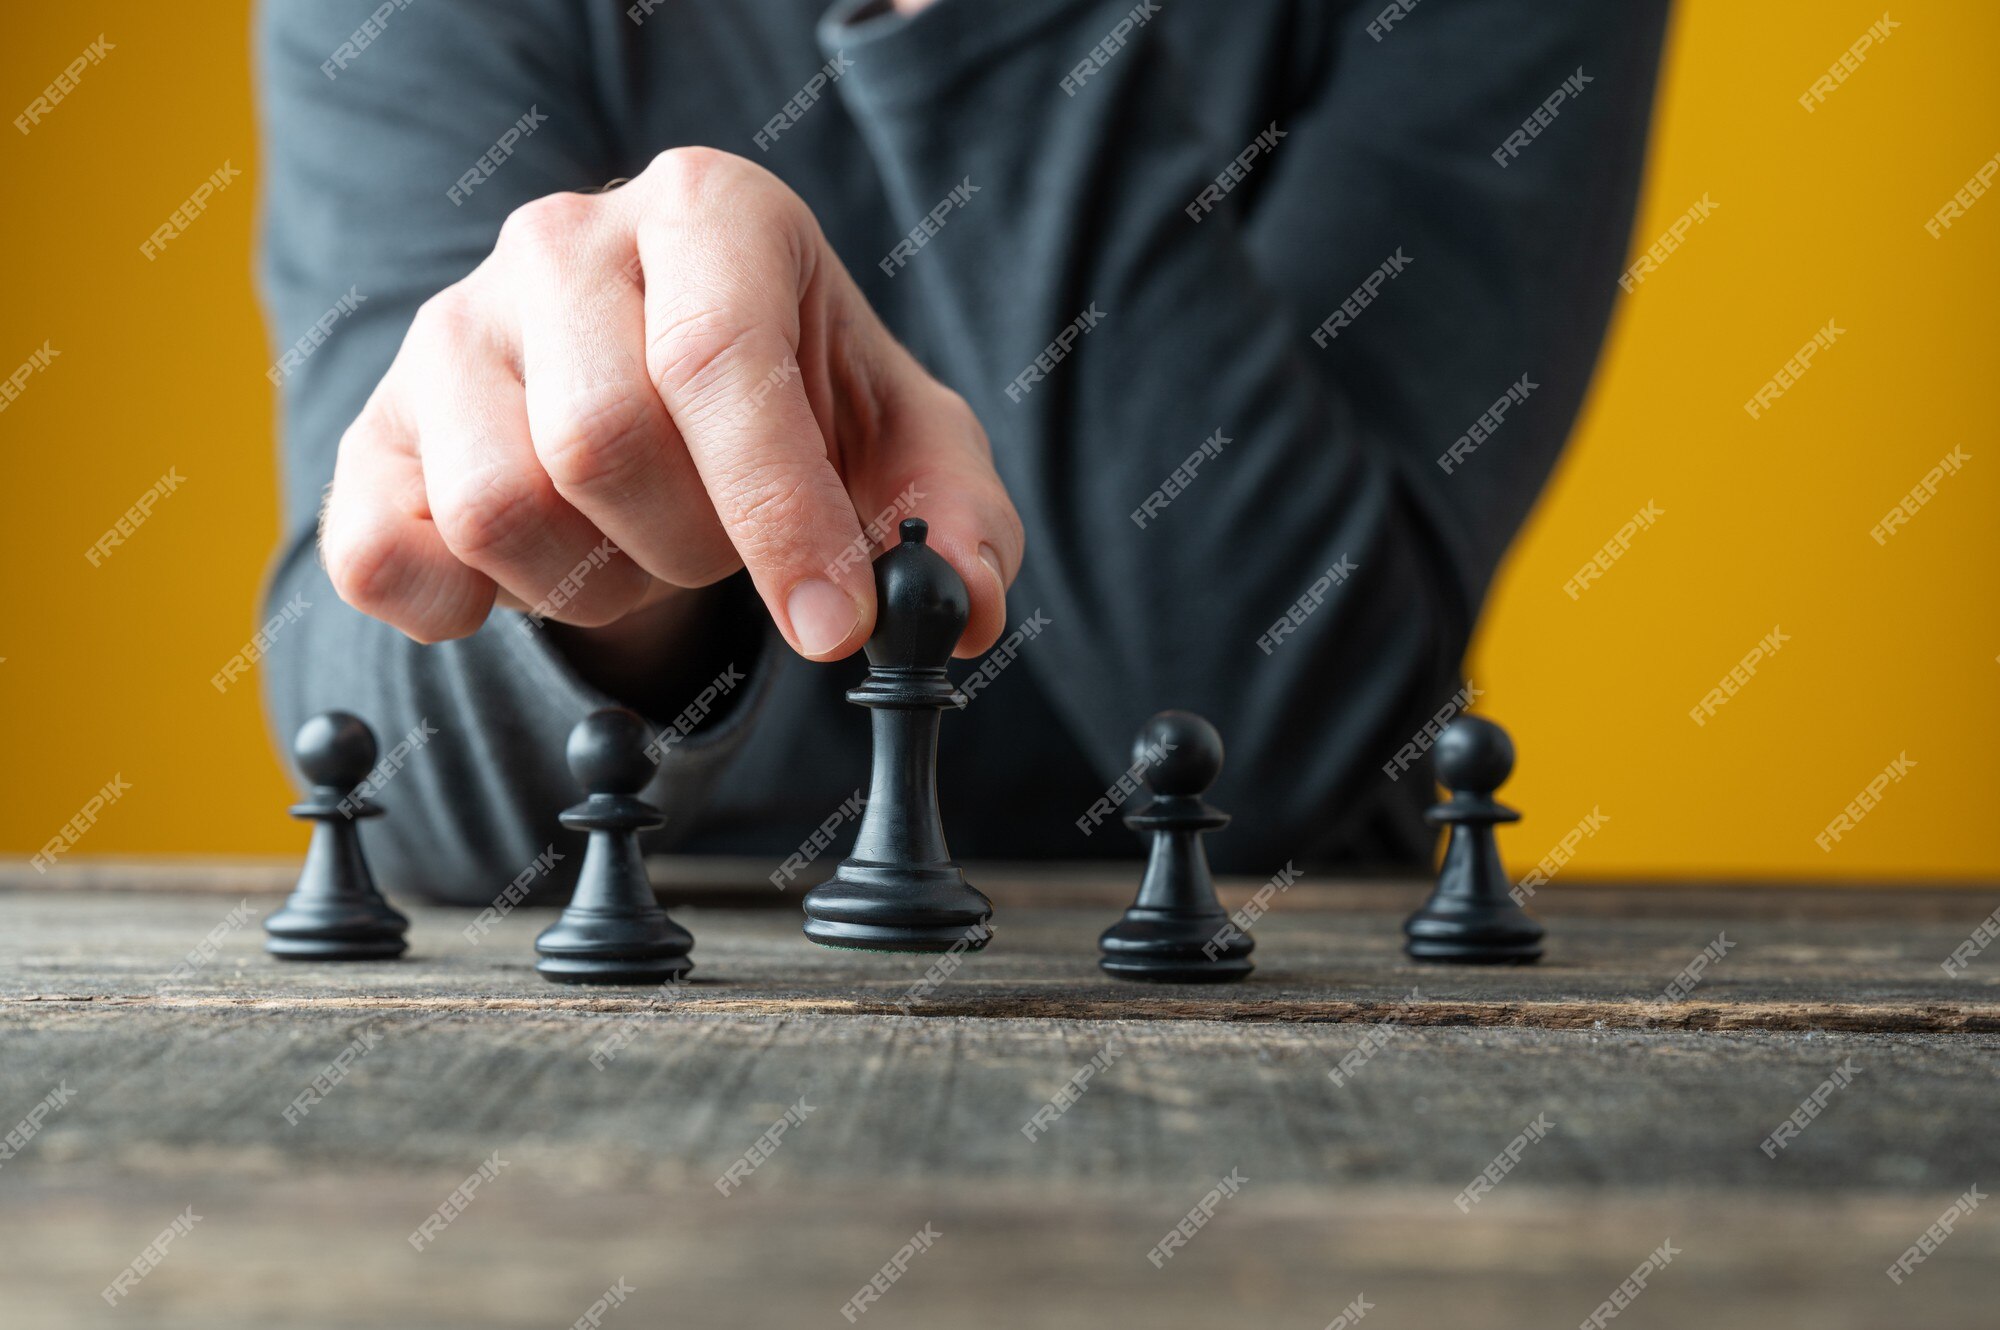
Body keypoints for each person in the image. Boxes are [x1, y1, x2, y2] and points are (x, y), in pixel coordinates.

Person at [255, 0, 1671, 904]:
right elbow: (396, 752)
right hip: (659, 1026)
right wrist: (622, 563)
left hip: (1300, 1031)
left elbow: (1286, 736)